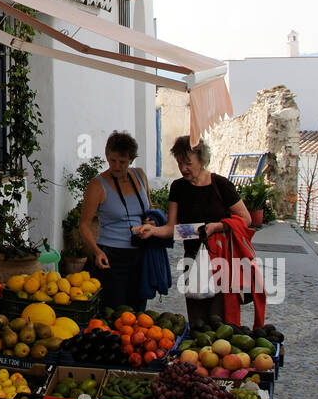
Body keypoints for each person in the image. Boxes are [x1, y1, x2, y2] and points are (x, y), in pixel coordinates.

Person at [134, 135, 253, 328]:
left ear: (202, 160)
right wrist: (153, 230)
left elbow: (246, 219)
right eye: (180, 163)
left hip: (220, 260)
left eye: (188, 163)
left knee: (218, 322)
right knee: (197, 323)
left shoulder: (220, 185)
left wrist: (217, 226)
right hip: (192, 259)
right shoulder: (178, 187)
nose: (183, 168)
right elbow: (173, 229)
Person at [79, 131, 151, 311]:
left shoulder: (140, 176)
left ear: (131, 160)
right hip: (112, 256)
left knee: (138, 309)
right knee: (114, 310)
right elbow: (84, 225)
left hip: (141, 252)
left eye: (122, 162)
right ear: (107, 155)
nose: (116, 166)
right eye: (112, 160)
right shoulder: (97, 185)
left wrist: (151, 223)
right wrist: (96, 252)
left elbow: (150, 208)